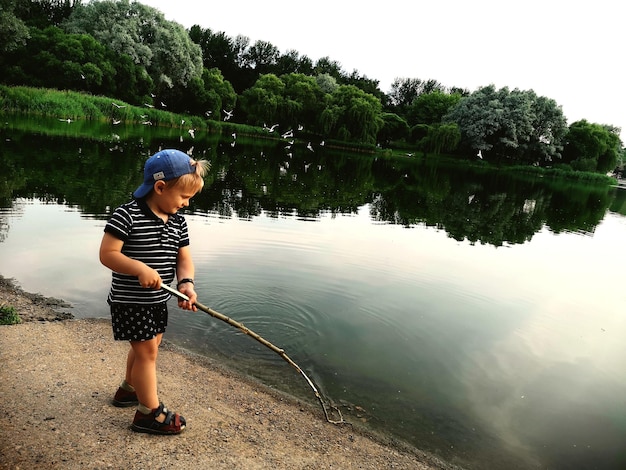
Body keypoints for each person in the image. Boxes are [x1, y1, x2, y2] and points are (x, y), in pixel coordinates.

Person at [99, 149, 209, 435]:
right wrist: (138, 268)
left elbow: (183, 259)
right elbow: (108, 254)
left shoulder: (178, 222)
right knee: (147, 352)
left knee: (148, 348)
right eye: (184, 197)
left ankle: (128, 390)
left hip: (158, 300)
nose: (186, 204)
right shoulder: (128, 215)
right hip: (130, 301)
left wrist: (186, 283)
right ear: (160, 188)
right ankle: (149, 413)